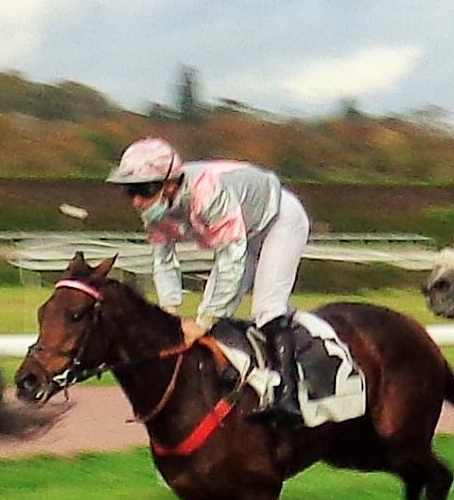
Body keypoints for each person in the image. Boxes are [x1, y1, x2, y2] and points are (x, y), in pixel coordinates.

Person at [113, 138, 332, 409]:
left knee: (266, 308)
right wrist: (170, 312)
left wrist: (203, 322)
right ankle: (233, 380)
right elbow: (164, 260)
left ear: (170, 184)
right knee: (213, 309)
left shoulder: (207, 195)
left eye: (143, 190)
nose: (136, 201)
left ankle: (288, 396)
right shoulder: (159, 208)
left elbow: (232, 260)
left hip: (278, 220)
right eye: (129, 191)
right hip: (241, 233)